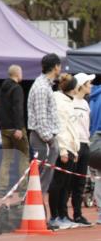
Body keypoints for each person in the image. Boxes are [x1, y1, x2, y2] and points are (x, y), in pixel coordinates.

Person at [27, 52, 61, 199]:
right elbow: (41, 118)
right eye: (59, 66)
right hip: (42, 139)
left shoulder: (44, 85)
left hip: (43, 138)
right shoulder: (42, 87)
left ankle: (37, 209)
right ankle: (34, 210)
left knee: (42, 178)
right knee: (40, 179)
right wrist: (50, 140)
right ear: (55, 67)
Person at [48, 73, 80, 229]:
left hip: (71, 147)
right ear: (72, 88)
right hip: (63, 148)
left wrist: (75, 148)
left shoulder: (69, 102)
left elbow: (72, 128)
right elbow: (60, 128)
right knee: (58, 183)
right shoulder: (59, 102)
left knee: (66, 185)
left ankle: (62, 214)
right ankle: (55, 216)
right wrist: (63, 150)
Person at [0, 64, 29, 196]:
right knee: (23, 157)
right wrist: (18, 127)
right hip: (16, 128)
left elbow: (0, 109)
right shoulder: (17, 89)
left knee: (6, 159)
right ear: (17, 74)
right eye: (21, 72)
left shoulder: (1, 89)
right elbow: (18, 109)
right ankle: (23, 189)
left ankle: (2, 189)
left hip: (4, 128)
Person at [70, 73, 95, 226]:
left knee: (81, 181)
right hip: (74, 144)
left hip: (85, 143)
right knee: (68, 181)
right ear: (81, 85)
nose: (91, 86)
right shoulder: (71, 102)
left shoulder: (86, 103)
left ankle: (78, 214)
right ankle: (62, 214)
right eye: (88, 83)